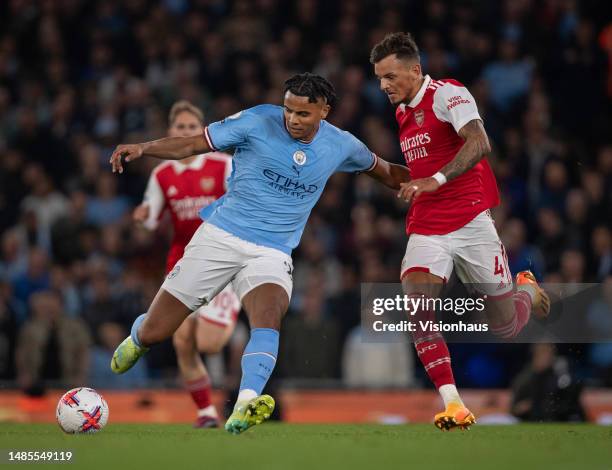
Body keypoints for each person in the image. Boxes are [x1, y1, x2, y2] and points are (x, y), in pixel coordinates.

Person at [109, 73, 411, 434]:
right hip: (220, 238)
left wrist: (435, 182)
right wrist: (144, 147)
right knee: (158, 331)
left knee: (268, 316)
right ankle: (139, 335)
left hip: (272, 251)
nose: (292, 120)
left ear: (324, 111)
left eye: (303, 114)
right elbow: (192, 145)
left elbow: (389, 173)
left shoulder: (342, 145)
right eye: (288, 110)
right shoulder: (255, 121)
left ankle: (245, 403)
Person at [370, 32, 550, 431]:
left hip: (471, 221)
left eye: (390, 76)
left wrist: (435, 178)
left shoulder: (448, 93)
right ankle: (454, 404)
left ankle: (526, 288)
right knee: (418, 310)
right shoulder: (401, 112)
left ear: (415, 70)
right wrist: (371, 166)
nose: (383, 85)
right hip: (427, 226)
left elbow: (479, 142)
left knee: (506, 326)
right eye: (379, 78)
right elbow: (415, 173)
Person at [133, 100, 239, 428]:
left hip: (222, 263)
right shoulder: (162, 173)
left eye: (191, 127)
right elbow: (150, 220)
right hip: (182, 263)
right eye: (180, 128)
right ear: (170, 132)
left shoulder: (222, 165)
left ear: (202, 130)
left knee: (208, 342)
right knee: (181, 341)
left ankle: (233, 324)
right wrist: (143, 218)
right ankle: (206, 412)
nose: (185, 132)